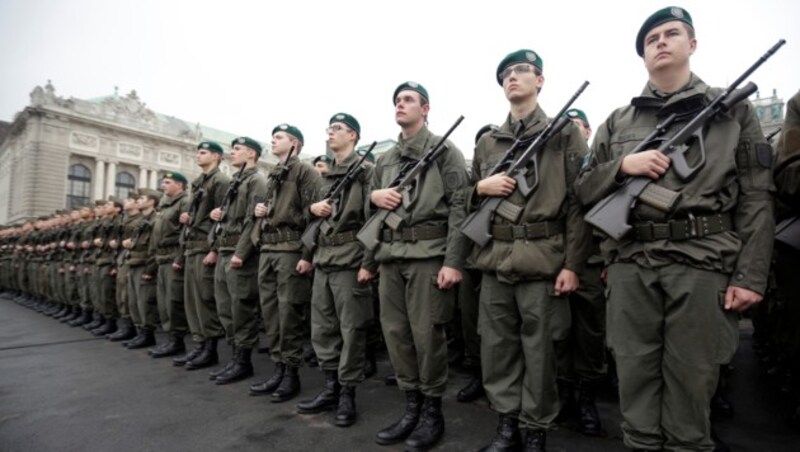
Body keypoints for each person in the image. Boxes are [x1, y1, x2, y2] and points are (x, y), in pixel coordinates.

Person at [575, 7, 774, 450]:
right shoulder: (618, 121)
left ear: (693, 44)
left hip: (702, 262)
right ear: (643, 55)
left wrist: (749, 275)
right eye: (651, 39)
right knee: (634, 376)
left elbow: (757, 198)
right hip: (632, 264)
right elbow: (583, 188)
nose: (661, 42)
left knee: (693, 382)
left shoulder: (732, 111)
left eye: (672, 34)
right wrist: (623, 166)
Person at [468, 49, 591, 451]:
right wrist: (478, 188)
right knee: (497, 348)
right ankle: (507, 425)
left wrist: (573, 264)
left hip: (543, 256)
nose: (513, 77)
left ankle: (535, 428)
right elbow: (467, 202)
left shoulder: (564, 132)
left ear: (540, 81)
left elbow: (577, 201)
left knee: (541, 353)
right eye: (506, 73)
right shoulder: (489, 141)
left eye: (522, 71)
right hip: (496, 258)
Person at [369, 81, 469, 450]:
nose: (401, 105)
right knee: (396, 335)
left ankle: (432, 411)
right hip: (391, 257)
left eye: (409, 100)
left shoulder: (446, 152)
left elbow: (461, 207)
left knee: (427, 337)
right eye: (397, 100)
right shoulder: (385, 160)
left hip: (429, 256)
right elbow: (372, 215)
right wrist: (374, 196)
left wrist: (453, 261)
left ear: (425, 109)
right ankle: (411, 406)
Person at [296, 113, 375, 426]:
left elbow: (374, 219)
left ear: (353, 136)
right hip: (324, 259)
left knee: (351, 330)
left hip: (349, 259)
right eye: (328, 129)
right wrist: (311, 209)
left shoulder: (366, 171)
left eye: (337, 129)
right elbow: (311, 220)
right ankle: (330, 388)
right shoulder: (323, 176)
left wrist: (369, 262)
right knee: (323, 329)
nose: (330, 133)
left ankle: (347, 395)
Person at [248, 124, 319, 402]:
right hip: (269, 248)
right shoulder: (273, 175)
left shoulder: (306, 172)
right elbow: (266, 213)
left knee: (289, 314)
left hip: (291, 249)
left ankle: (291, 374)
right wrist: (260, 212)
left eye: (278, 137)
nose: (273, 141)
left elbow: (315, 216)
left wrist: (306, 255)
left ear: (295, 144)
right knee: (271, 315)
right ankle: (279, 369)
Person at [555, 108, 607, 436]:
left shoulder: (599, 164)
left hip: (593, 260)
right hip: (558, 257)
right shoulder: (556, 163)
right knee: (559, 331)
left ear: (587, 132)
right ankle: (563, 394)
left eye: (579, 126)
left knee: (590, 332)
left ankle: (587, 398)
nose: (573, 131)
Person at [208, 136, 267, 385]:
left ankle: (243, 361)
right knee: (225, 307)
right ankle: (235, 357)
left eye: (237, 149)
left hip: (239, 253)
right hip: (225, 248)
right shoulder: (236, 181)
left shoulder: (256, 181)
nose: (232, 153)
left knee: (241, 308)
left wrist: (241, 253)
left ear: (251, 154)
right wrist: (216, 215)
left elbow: (254, 221)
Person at [173, 141, 230, 370]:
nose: (198, 155)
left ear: (216, 156)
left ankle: (210, 349)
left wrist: (214, 249)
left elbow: (223, 218)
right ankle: (199, 344)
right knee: (192, 302)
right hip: (192, 246)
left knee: (206, 300)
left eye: (203, 152)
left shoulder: (220, 181)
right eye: (198, 152)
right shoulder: (199, 183)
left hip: (205, 247)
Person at [148, 172, 191, 358]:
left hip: (174, 256)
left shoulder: (184, 203)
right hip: (163, 257)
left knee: (174, 302)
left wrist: (179, 258)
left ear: (179, 185)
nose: (163, 185)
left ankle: (177, 341)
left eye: (167, 182)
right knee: (164, 302)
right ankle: (171, 338)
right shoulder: (165, 205)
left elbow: (186, 233)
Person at [124, 188, 162, 349]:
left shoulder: (155, 221)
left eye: (142, 198)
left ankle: (148, 335)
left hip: (145, 265)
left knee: (145, 302)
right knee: (134, 302)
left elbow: (155, 248)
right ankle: (140, 332)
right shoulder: (141, 222)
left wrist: (149, 270)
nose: (138, 201)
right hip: (134, 263)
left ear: (151, 201)